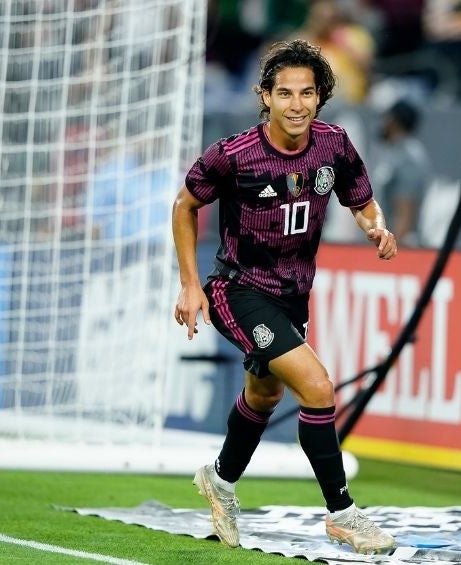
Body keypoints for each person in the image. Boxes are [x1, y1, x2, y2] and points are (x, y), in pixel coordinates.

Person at [171, 39, 397, 555]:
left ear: (320, 98)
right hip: (238, 290)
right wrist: (189, 282)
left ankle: (220, 481)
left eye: (307, 94)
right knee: (316, 387)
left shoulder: (333, 145)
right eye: (285, 93)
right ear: (265, 97)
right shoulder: (233, 156)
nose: (296, 104)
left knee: (264, 395)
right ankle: (342, 513)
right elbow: (185, 206)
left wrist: (375, 227)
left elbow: (361, 199)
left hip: (293, 296)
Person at [368, 99, 432, 246]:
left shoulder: (409, 158)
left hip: (399, 246)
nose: (382, 123)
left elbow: (405, 215)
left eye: (386, 117)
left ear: (394, 121)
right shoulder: (391, 151)